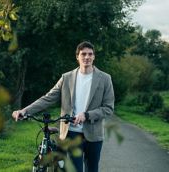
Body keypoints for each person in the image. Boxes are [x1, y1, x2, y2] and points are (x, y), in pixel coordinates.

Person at [12, 41, 114, 172]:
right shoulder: (66, 78)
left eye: (90, 54)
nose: (87, 57)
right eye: (83, 54)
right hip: (72, 133)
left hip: (94, 135)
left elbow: (108, 108)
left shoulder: (105, 79)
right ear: (77, 57)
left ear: (94, 57)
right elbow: (48, 98)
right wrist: (25, 110)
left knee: (92, 169)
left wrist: (87, 115)